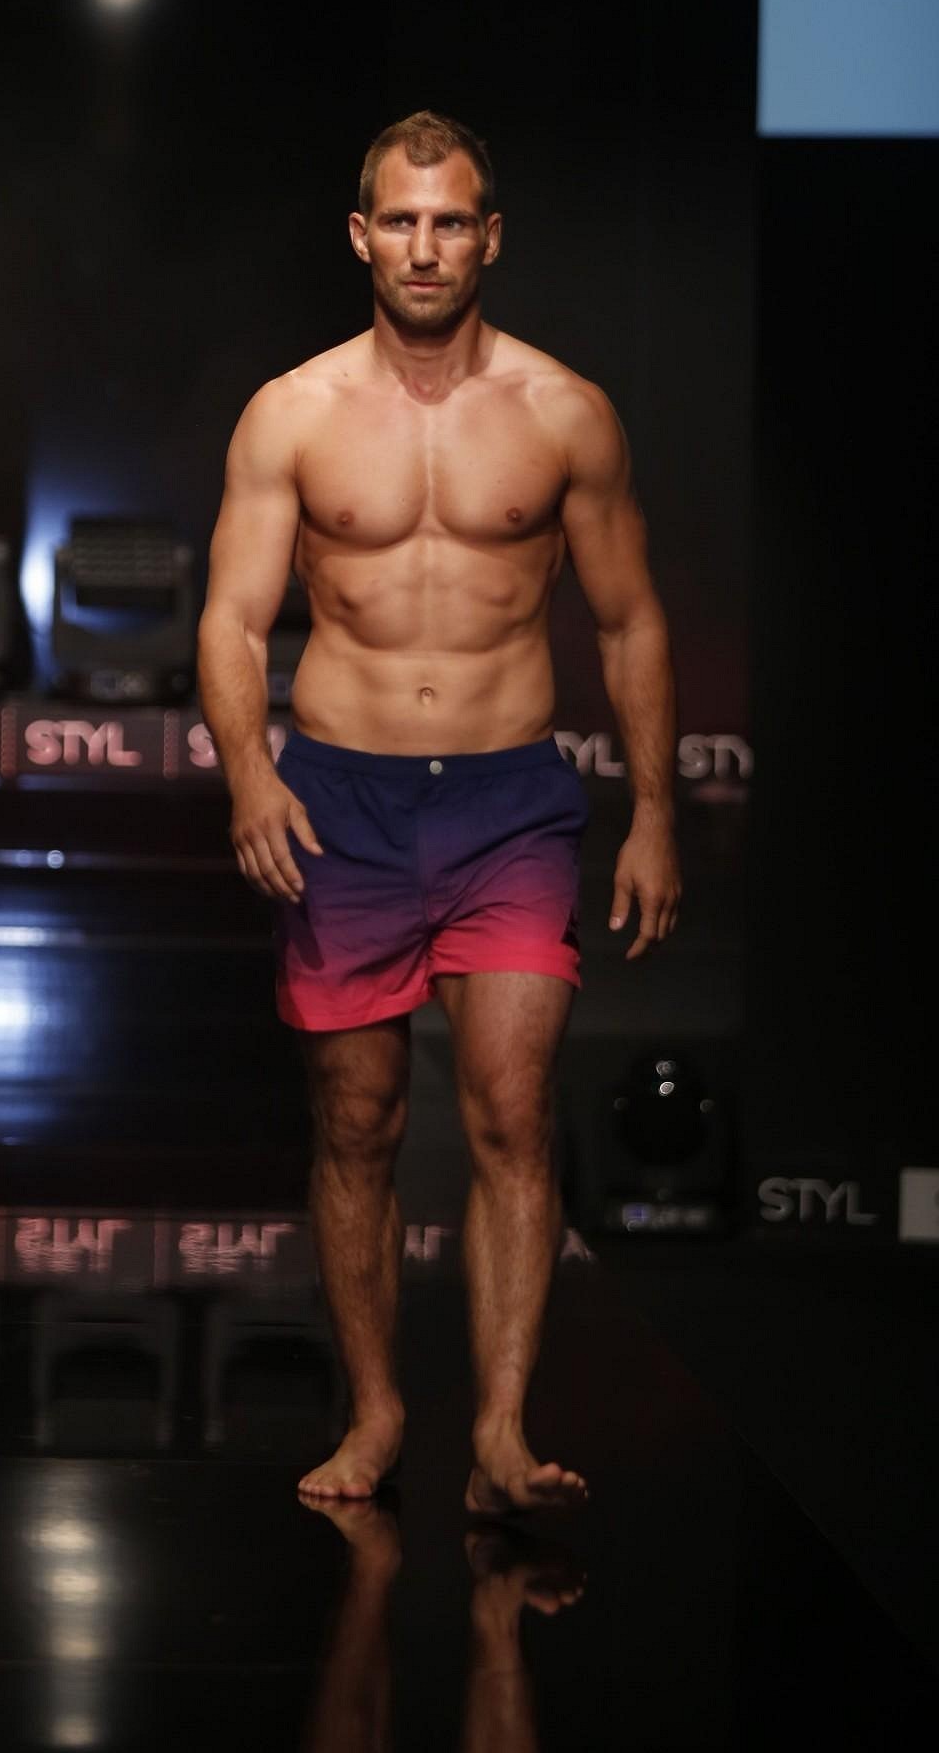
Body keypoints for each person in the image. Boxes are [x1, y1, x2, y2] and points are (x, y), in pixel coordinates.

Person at [197, 111, 679, 1511]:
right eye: (401, 222)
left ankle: (502, 1435)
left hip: (507, 800)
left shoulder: (564, 412)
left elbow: (632, 620)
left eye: (450, 221)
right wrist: (249, 772)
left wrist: (655, 811)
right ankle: (378, 1414)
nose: (425, 247)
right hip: (339, 799)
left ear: (489, 237)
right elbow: (233, 621)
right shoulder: (291, 413)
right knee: (356, 1122)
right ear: (361, 236)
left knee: (514, 1112)